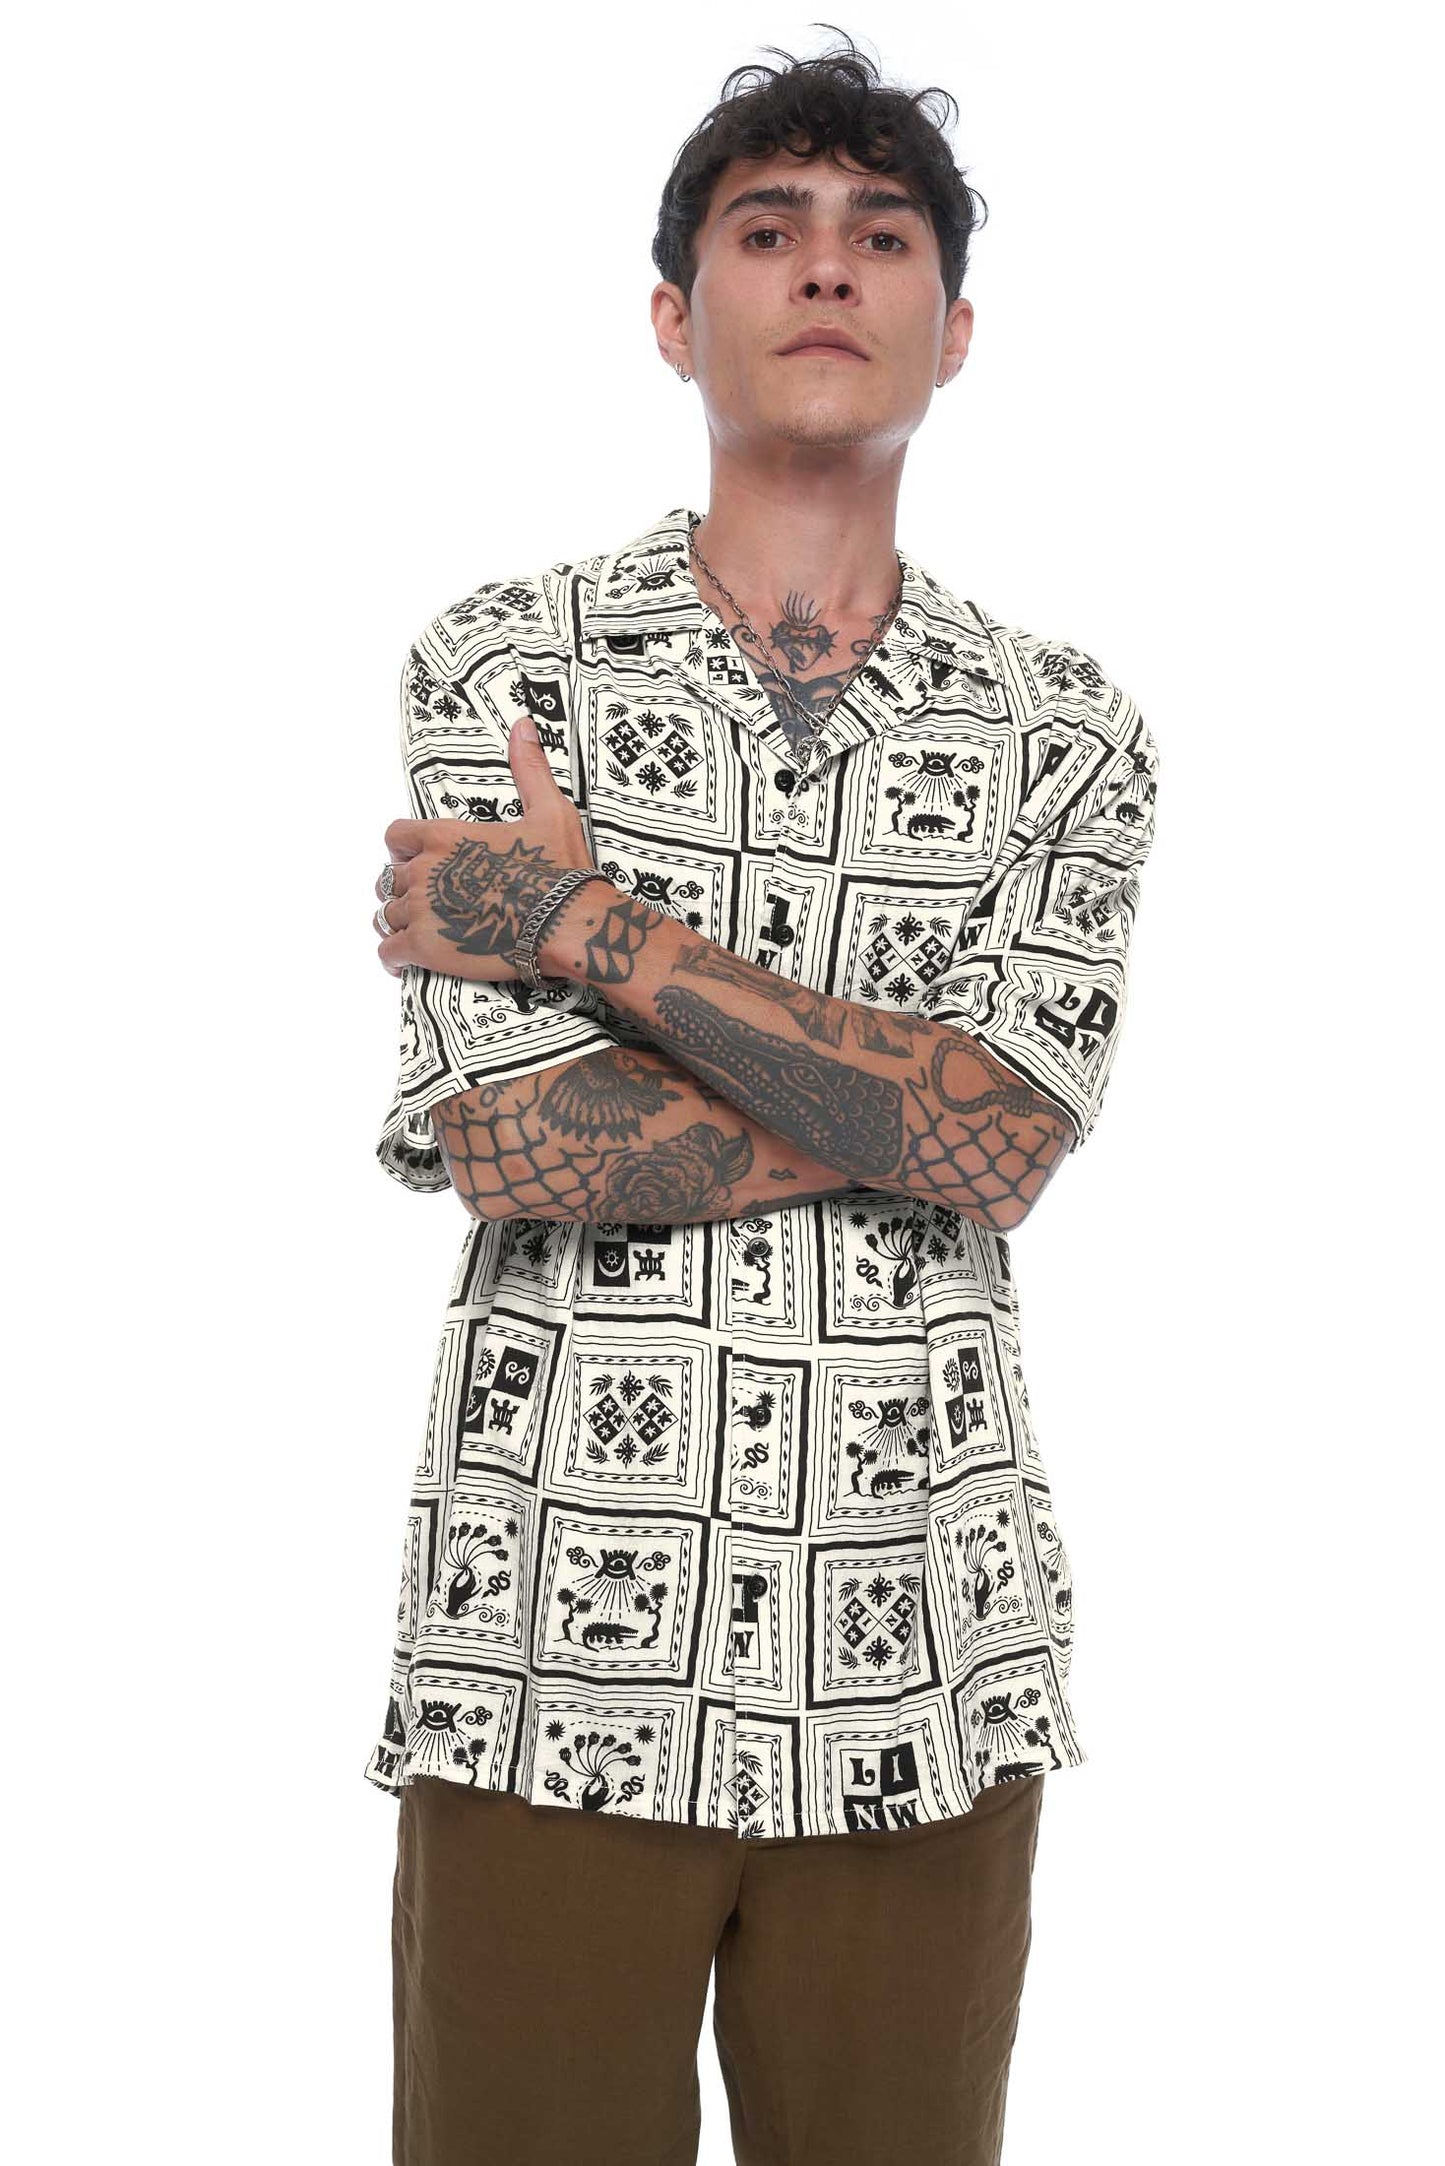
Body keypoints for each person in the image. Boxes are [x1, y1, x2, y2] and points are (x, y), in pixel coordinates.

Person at [367, 29, 1160, 2166]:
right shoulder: (503, 670)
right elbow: (512, 1144)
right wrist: (911, 1097)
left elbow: (1010, 1141)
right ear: (672, 314)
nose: (827, 266)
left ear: (953, 330)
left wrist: (589, 930)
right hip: (555, 1637)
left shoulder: (1070, 731)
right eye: (768, 228)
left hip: (922, 1639)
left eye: (882, 236)